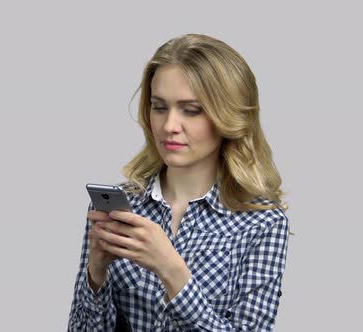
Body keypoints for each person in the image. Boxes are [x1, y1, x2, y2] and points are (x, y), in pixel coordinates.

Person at [67, 33, 290, 331]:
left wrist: (171, 270)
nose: (169, 126)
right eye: (159, 107)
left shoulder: (262, 223)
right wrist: (96, 274)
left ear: (229, 115)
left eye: (192, 110)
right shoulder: (122, 207)